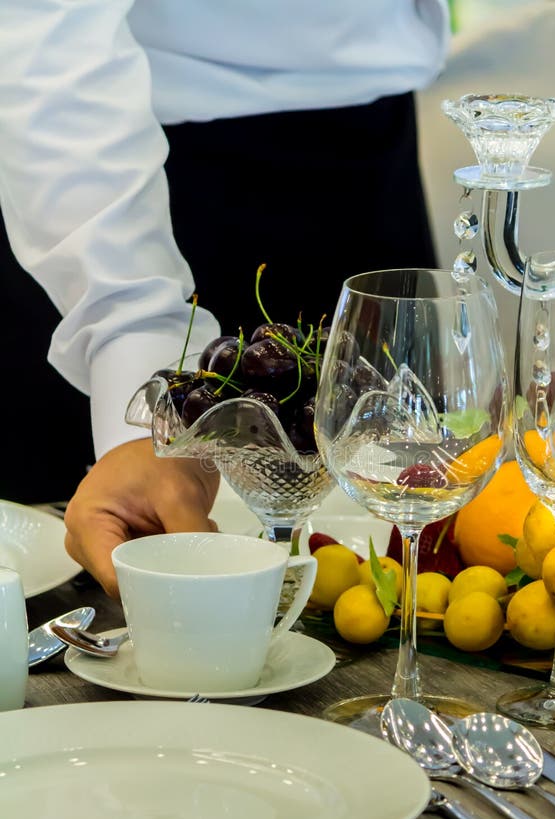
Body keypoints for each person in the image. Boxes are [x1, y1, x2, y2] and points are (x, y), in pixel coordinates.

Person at [0, 1, 450, 599]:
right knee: (92, 615)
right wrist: (146, 405)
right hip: (111, 187)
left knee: (403, 596)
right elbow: (47, 28)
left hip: (367, 175)